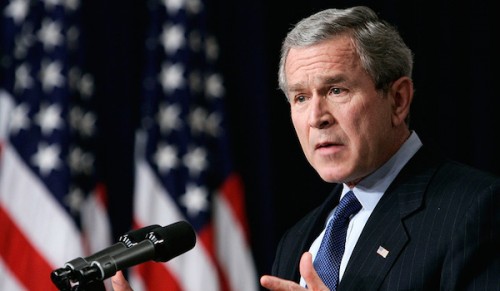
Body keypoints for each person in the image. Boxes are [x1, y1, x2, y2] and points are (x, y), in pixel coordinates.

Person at [111, 5, 500, 291]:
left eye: (336, 90)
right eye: (300, 97)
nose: (316, 117)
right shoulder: (301, 239)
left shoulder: (475, 209)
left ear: (398, 100)